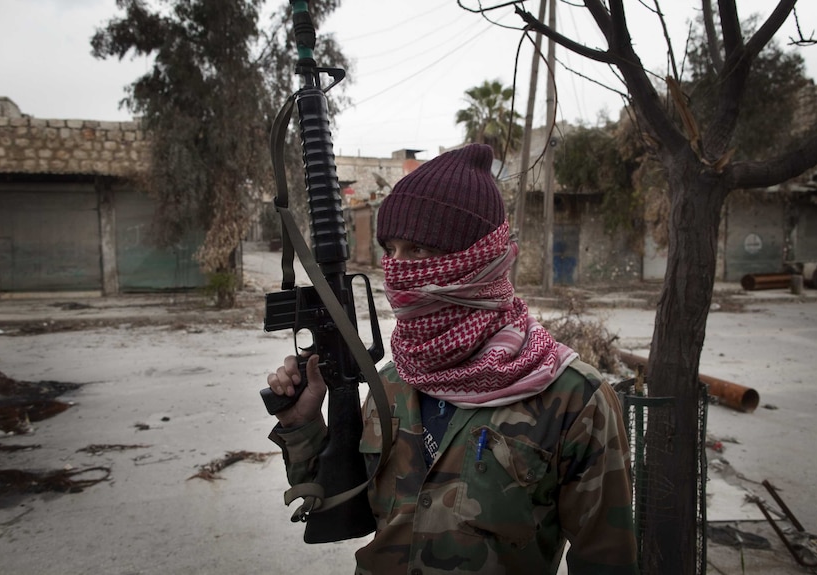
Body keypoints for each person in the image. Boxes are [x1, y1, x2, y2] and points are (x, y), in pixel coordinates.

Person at [265, 143, 639, 574]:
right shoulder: (393, 382)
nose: (399, 270)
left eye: (419, 251)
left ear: (478, 261)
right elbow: (340, 506)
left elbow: (607, 560)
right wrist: (302, 425)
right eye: (392, 250)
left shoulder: (574, 398)